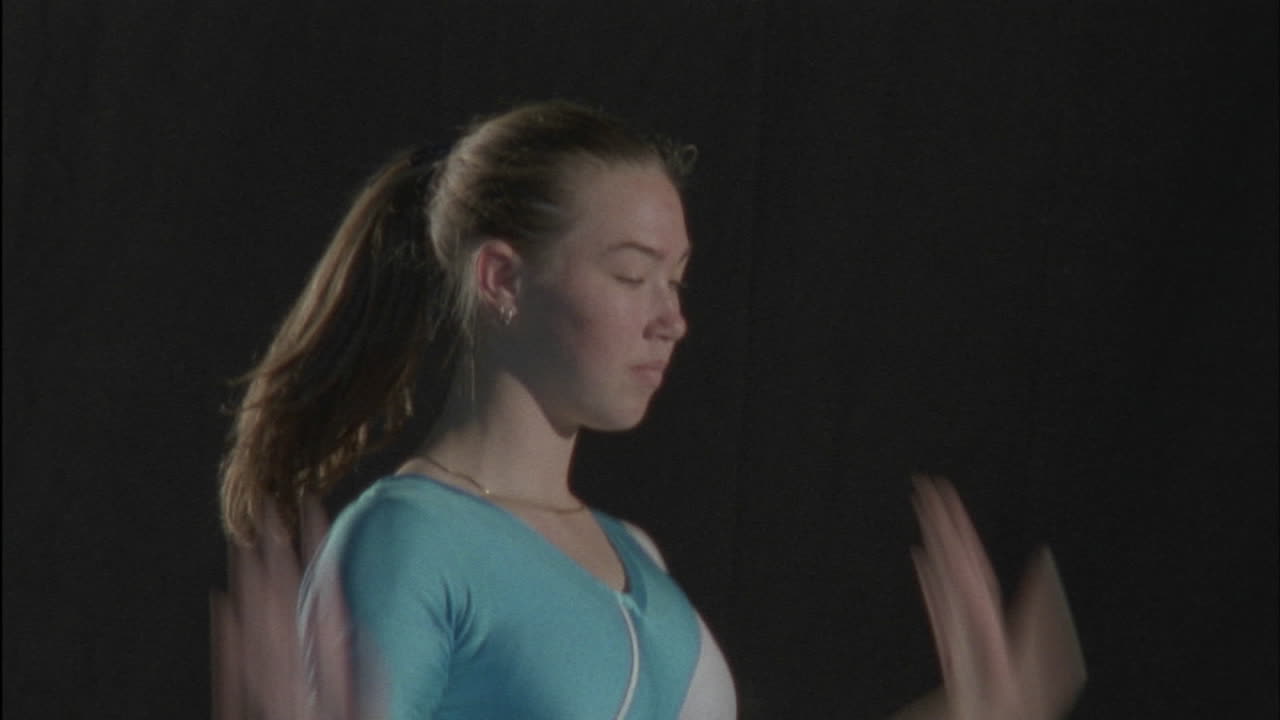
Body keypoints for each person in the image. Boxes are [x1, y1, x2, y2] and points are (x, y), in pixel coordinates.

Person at [212, 100, 1084, 719]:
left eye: (676, 280)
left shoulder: (637, 557)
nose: (671, 317)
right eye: (632, 275)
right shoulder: (409, 542)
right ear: (502, 281)